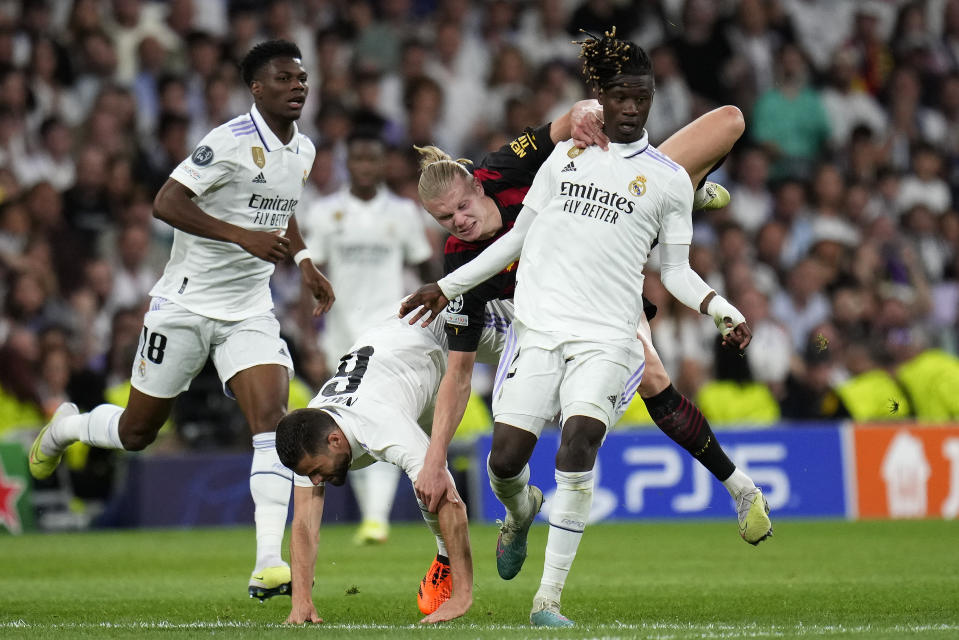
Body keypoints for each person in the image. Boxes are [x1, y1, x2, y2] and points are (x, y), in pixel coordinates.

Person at [400, 29, 756, 627]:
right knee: (509, 456)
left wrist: (591, 110)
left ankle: (738, 486)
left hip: (604, 289)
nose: (460, 222)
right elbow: (459, 372)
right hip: (528, 319)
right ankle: (518, 513)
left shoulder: (505, 165)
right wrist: (435, 458)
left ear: (471, 180)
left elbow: (565, 121)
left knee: (653, 382)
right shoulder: (461, 257)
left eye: (462, 207)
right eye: (445, 220)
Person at [28, 40, 334, 601]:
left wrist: (307, 263)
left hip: (249, 310)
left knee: (272, 421)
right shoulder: (229, 141)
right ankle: (68, 427)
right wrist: (241, 235)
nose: (298, 86)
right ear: (256, 89)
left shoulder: (304, 151)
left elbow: (283, 212)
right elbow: (165, 202)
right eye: (285, 78)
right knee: (137, 432)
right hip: (184, 306)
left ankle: (268, 562)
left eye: (303, 77)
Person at [275, 299, 515, 625]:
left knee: (547, 338)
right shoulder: (310, 432)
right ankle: (445, 557)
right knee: (426, 482)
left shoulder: (379, 423)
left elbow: (452, 502)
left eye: (317, 472)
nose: (316, 482)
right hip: (417, 374)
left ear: (335, 440)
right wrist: (301, 603)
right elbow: (303, 524)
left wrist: (462, 596)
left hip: (439, 322)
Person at [301, 130, 434, 546]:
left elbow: (426, 268)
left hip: (389, 334)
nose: (363, 167)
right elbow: (312, 277)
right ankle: (373, 518)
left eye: (371, 159)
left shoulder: (403, 213)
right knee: (344, 427)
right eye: (356, 158)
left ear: (382, 164)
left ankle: (376, 519)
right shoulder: (324, 213)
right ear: (347, 163)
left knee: (380, 420)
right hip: (340, 333)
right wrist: (310, 337)